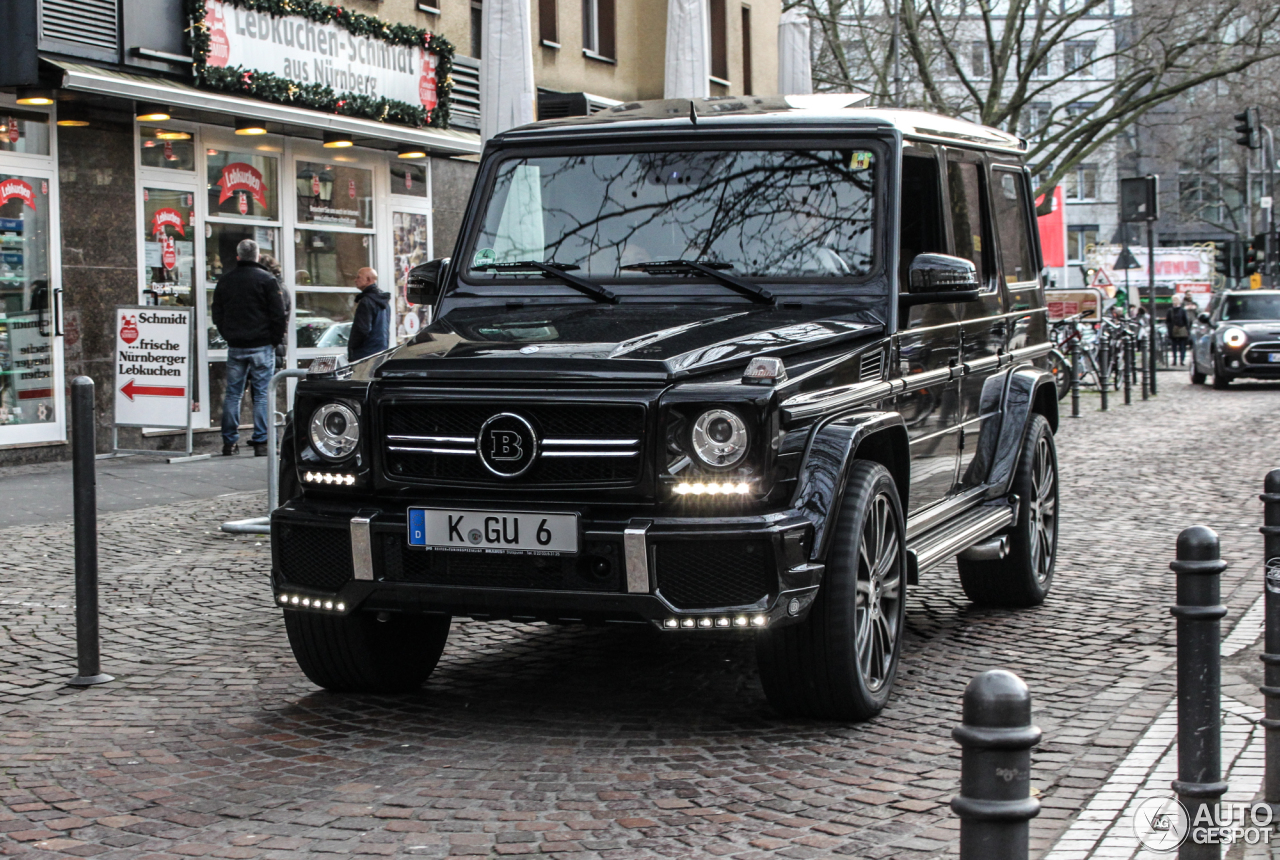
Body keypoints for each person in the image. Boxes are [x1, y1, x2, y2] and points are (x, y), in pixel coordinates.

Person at [211, 239, 286, 457]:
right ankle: (262, 441)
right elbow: (278, 315)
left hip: (236, 345)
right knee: (262, 394)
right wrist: (273, 339)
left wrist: (228, 334)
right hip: (262, 345)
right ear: (256, 256)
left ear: (238, 257)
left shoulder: (225, 281)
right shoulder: (267, 280)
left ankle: (229, 442)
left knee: (233, 394)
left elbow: (217, 313)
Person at [348, 267, 390, 362]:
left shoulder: (366, 301)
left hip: (364, 354)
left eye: (359, 277)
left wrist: (353, 347)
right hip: (380, 351)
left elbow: (362, 329)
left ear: (368, 280)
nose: (355, 280)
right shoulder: (384, 301)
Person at [259, 253, 292, 370]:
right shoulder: (281, 288)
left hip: (272, 344)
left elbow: (279, 317)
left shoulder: (276, 289)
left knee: (267, 382)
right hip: (276, 343)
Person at [1166, 297, 1192, 366]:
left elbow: (1186, 321)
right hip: (1173, 331)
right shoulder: (1170, 310)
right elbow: (1168, 321)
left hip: (1182, 330)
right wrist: (1169, 329)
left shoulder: (1183, 310)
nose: (1175, 301)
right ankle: (1174, 360)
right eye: (1174, 300)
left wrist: (1187, 330)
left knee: (1182, 346)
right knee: (1174, 346)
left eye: (1176, 300)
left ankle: (1182, 361)